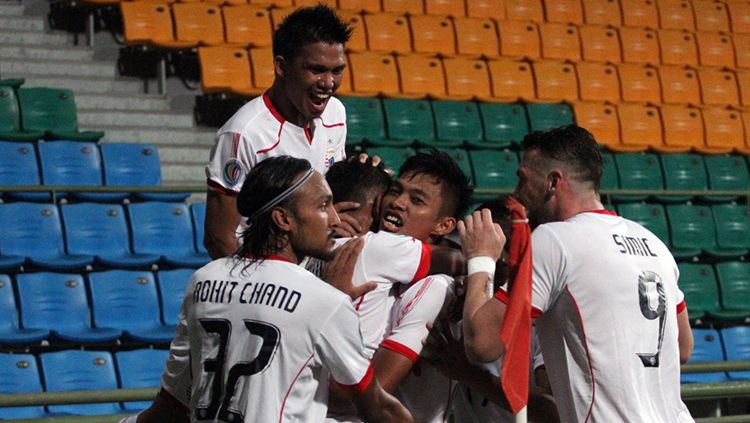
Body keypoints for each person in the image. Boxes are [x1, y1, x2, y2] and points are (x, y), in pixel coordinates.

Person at [136, 156, 415, 423]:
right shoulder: (325, 300)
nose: (335, 219)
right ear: (283, 219)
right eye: (323, 206)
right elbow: (375, 409)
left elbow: (172, 405)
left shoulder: (202, 280)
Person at [460, 125, 694, 422]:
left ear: (552, 182)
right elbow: (683, 347)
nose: (516, 192)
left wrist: (480, 260)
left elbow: (482, 343)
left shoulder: (553, 240)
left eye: (522, 179)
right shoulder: (654, 243)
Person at [326, 149, 472, 423]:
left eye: (416, 200)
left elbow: (362, 395)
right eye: (395, 191)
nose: (397, 203)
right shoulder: (356, 249)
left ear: (443, 225)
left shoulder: (436, 287)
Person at [204, 5, 351, 259]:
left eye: (337, 70)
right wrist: (259, 291)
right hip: (260, 279)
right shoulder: (243, 134)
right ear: (282, 67)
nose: (328, 83)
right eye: (316, 69)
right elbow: (220, 237)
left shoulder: (336, 113)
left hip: (312, 271)